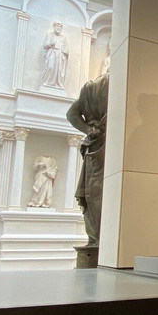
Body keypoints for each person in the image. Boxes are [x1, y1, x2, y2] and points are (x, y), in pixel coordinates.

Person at [67, 60, 109, 248]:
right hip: (107, 145)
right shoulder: (122, 84)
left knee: (94, 193)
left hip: (94, 145)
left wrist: (88, 129)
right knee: (101, 192)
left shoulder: (90, 88)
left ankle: (96, 238)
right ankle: (102, 240)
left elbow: (71, 114)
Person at [41, 21, 69, 89]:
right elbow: (45, 46)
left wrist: (65, 52)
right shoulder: (49, 35)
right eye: (57, 26)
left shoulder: (63, 38)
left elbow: (66, 49)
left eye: (60, 27)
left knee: (59, 70)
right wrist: (50, 44)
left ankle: (58, 83)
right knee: (50, 67)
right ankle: (47, 82)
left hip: (60, 55)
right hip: (52, 52)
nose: (58, 28)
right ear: (54, 27)